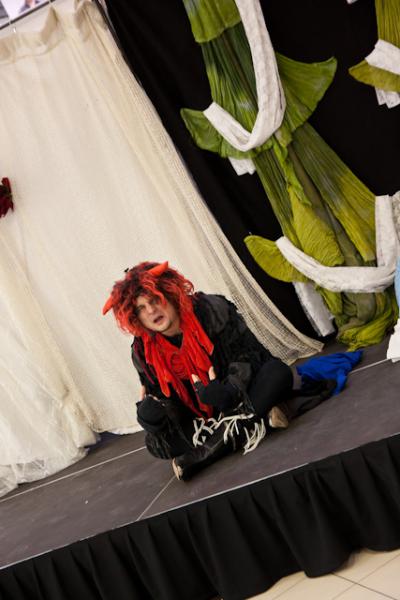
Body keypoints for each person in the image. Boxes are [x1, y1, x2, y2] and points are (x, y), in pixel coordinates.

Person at [103, 261, 333, 480]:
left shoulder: (211, 310)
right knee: (156, 444)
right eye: (141, 308)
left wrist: (228, 390)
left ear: (170, 294)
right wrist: (153, 416)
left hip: (240, 395)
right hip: (202, 419)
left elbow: (250, 355)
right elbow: (164, 400)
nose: (152, 310)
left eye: (155, 299)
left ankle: (208, 451)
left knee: (277, 373)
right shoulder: (142, 351)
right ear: (135, 317)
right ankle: (260, 419)